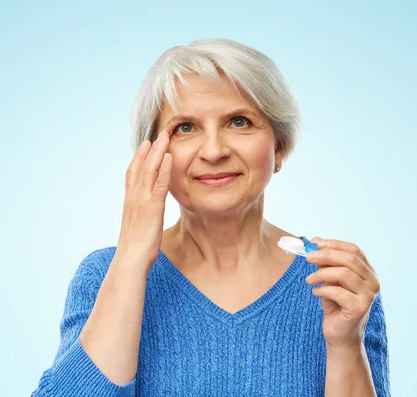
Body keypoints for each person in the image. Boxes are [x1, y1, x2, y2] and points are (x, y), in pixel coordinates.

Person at [31, 38, 390, 396]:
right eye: (185, 128)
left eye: (239, 121)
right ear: (152, 154)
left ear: (279, 146)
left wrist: (345, 345)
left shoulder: (337, 284)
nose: (214, 151)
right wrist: (130, 260)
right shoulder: (105, 275)